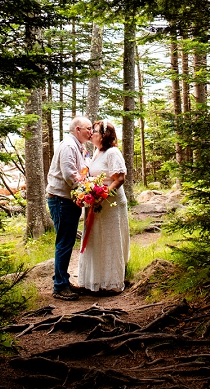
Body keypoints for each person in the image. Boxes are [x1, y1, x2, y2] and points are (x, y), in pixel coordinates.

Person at [77, 120, 130, 294]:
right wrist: (89, 191)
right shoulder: (97, 152)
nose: (92, 133)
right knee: (96, 239)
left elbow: (119, 179)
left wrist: (103, 194)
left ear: (104, 135)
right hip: (96, 202)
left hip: (111, 204)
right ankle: (94, 281)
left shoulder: (113, 152)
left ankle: (111, 283)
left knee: (109, 239)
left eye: (96, 130)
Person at [46, 116, 92, 301]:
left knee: (67, 241)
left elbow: (83, 170)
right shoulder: (68, 146)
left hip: (70, 200)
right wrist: (85, 191)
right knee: (64, 242)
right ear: (78, 129)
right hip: (61, 200)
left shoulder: (80, 146)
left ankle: (62, 279)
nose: (91, 132)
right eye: (88, 128)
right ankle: (59, 287)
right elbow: (69, 175)